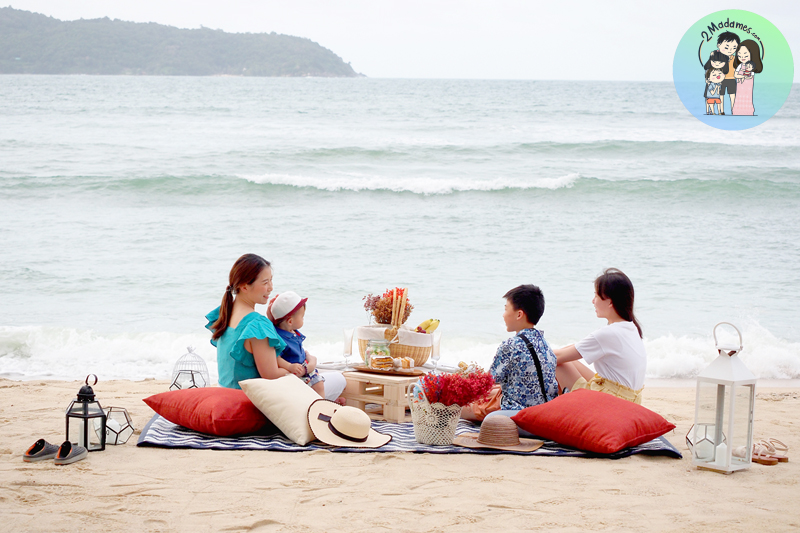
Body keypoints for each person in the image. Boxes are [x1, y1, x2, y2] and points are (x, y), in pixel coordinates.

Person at [205, 254, 346, 400]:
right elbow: (271, 375)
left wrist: (271, 323)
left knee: (320, 376)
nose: (271, 288)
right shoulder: (258, 324)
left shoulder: (224, 313)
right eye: (265, 282)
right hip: (250, 400)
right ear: (245, 286)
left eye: (271, 280)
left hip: (226, 393)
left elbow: (252, 344)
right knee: (339, 379)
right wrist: (306, 368)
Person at [462, 284, 558, 422]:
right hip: (544, 409)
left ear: (519, 314)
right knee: (495, 393)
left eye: (506, 309)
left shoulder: (511, 345)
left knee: (460, 407)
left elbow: (487, 382)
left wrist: (464, 381)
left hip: (517, 410)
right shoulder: (545, 344)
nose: (503, 315)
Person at [554, 268, 646, 404]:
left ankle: (558, 407)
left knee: (556, 364)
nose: (593, 301)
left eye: (596, 296)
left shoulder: (608, 333)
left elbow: (556, 358)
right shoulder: (631, 327)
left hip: (612, 403)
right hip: (629, 399)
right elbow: (573, 349)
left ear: (610, 302)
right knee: (569, 361)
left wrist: (528, 355)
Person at [269, 291, 326, 398]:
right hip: (296, 374)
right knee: (318, 385)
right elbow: (276, 357)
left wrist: (307, 356)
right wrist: (289, 366)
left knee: (319, 384)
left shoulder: (292, 332)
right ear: (290, 321)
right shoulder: (280, 338)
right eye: (302, 317)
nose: (303, 319)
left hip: (302, 367)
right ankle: (323, 405)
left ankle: (324, 403)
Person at [732, 39, 763, 116]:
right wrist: (742, 76)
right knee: (739, 97)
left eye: (745, 55)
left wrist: (744, 76)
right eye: (739, 55)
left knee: (747, 97)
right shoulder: (740, 65)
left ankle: (748, 111)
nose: (742, 57)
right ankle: (737, 110)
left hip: (748, 86)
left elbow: (750, 76)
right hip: (739, 85)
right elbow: (735, 75)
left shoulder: (751, 67)